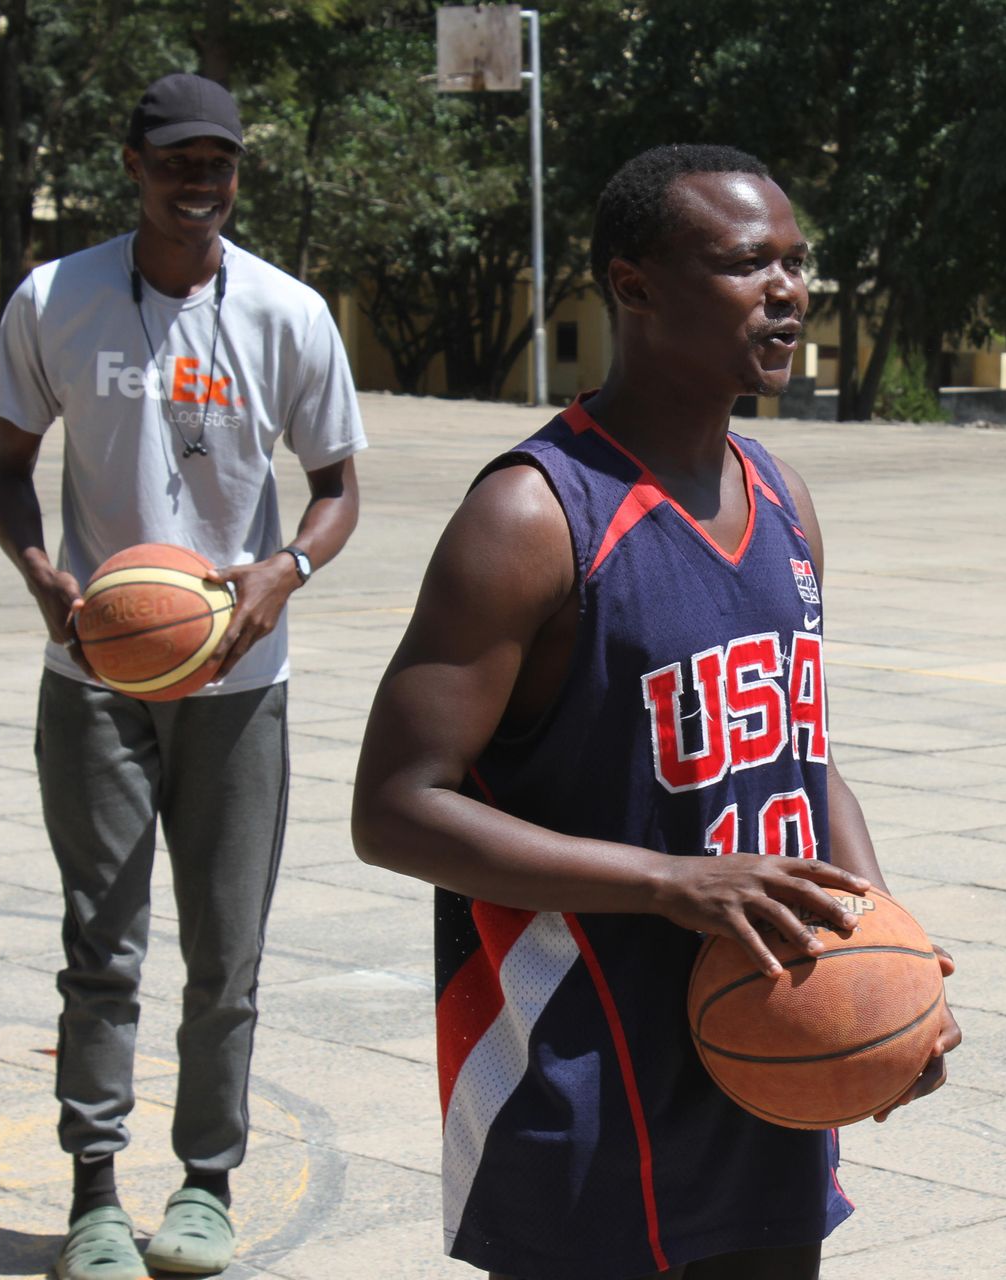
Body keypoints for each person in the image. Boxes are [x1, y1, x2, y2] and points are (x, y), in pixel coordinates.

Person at [351, 143, 960, 1280]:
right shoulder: (532, 518)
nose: (786, 291)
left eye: (795, 262)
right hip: (585, 1075)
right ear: (634, 285)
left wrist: (885, 949)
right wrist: (671, 882)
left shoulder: (783, 497)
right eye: (744, 264)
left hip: (765, 1056)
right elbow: (393, 808)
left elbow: (802, 753)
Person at [0, 72, 367, 1280]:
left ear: (237, 174)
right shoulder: (56, 297)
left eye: (219, 161)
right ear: (134, 165)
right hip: (95, 671)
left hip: (240, 680)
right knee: (101, 943)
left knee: (225, 950)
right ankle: (96, 1192)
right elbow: (6, 468)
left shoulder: (289, 311)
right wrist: (41, 569)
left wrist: (284, 570)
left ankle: (205, 1184)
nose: (199, 179)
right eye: (177, 159)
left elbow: (341, 484)